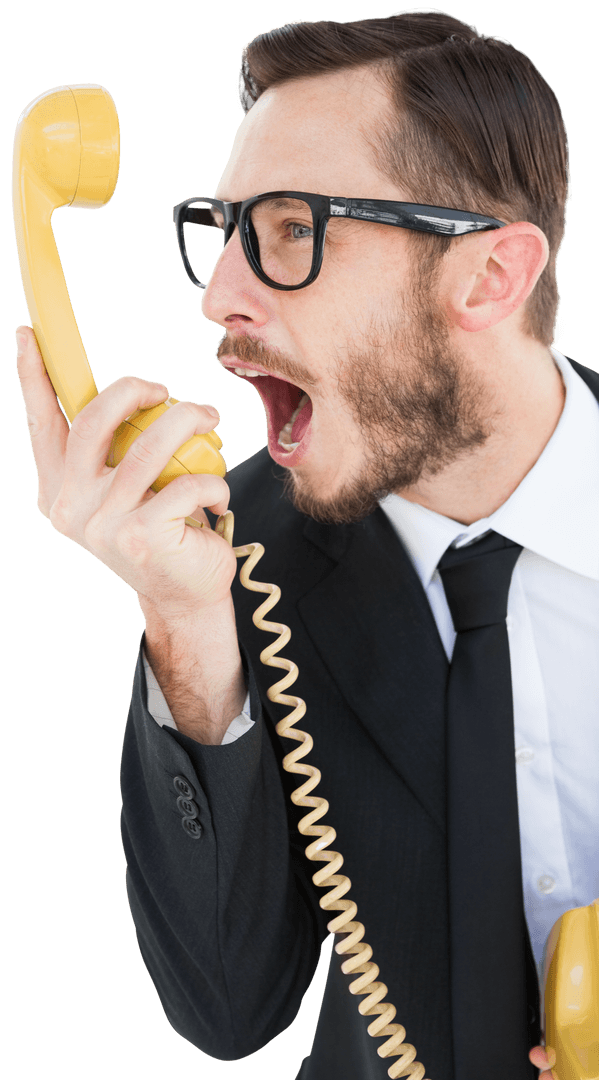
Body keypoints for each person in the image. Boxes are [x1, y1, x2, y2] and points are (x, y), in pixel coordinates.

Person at [15, 9, 597, 1080]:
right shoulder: (239, 555)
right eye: (225, 229)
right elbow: (227, 1009)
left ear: (488, 277)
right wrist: (186, 621)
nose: (217, 296)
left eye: (293, 230)